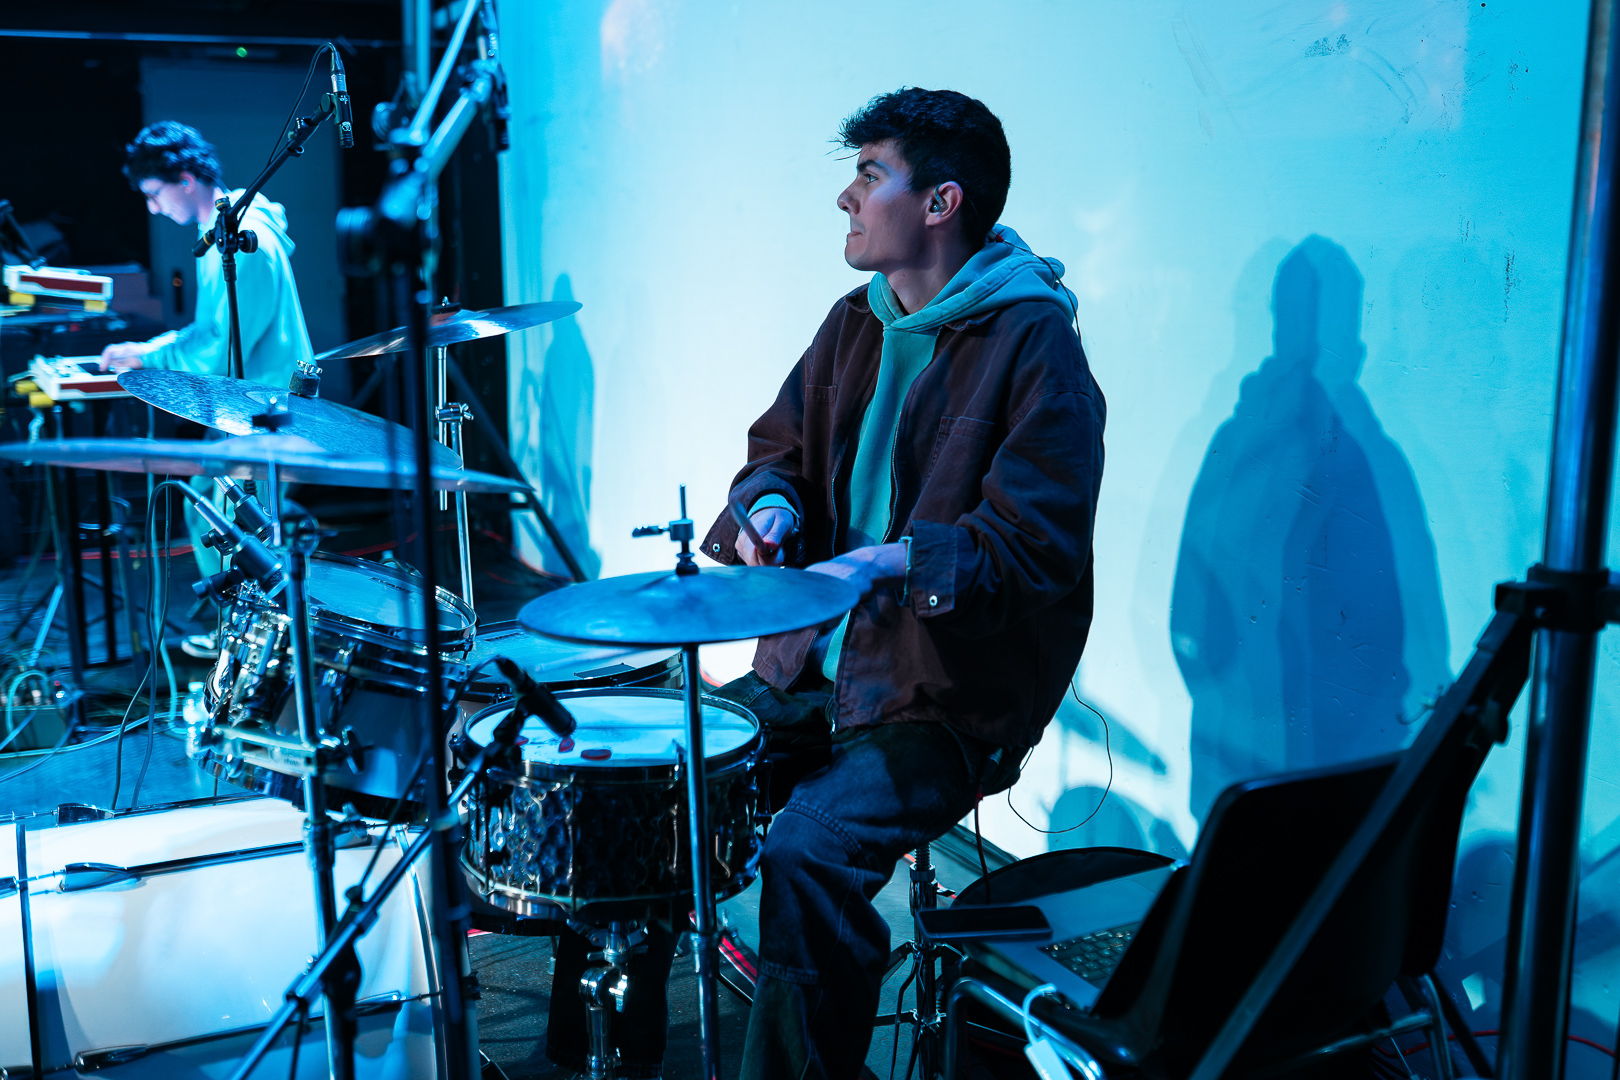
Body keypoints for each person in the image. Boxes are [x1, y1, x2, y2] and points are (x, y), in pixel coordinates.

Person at [543, 87, 1104, 1079]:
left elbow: (1036, 551)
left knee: (809, 848)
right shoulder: (856, 322)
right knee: (649, 786)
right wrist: (769, 508)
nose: (846, 198)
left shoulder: (1034, 345)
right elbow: (779, 453)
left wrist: (892, 558)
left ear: (941, 203)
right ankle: (602, 1060)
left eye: (870, 175)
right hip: (814, 669)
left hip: (941, 700)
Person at [100, 121, 314, 656]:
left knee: (235, 524)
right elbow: (213, 332)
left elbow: (219, 344)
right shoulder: (227, 230)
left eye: (155, 194)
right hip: (251, 406)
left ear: (186, 178)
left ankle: (256, 648)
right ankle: (244, 638)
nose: (153, 208)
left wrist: (148, 355)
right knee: (212, 513)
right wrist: (153, 350)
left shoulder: (245, 241)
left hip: (268, 410)